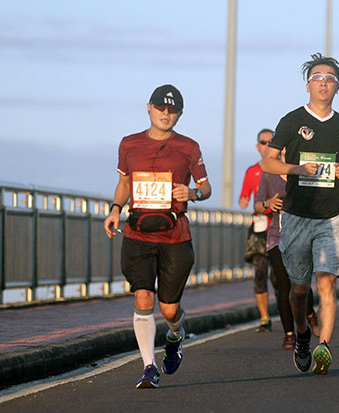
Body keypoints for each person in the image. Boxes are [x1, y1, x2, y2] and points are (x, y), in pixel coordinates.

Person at [262, 53, 339, 375]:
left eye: (330, 78)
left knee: (326, 282)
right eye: (318, 77)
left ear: (337, 87)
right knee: (299, 288)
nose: (323, 82)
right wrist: (295, 169)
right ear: (308, 84)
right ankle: (304, 335)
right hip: (295, 215)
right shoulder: (292, 121)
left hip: (331, 216)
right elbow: (268, 162)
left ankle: (324, 346)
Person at [104, 84, 211, 388]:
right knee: (142, 296)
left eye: (173, 109)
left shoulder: (189, 147)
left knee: (169, 308)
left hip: (175, 234)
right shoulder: (129, 144)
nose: (166, 113)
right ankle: (149, 366)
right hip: (137, 232)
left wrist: (192, 193)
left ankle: (175, 334)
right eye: (161, 107)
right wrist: (114, 210)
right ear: (148, 107)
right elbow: (125, 182)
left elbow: (206, 188)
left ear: (179, 113)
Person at [254, 149, 320, 349]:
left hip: (302, 236)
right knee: (283, 285)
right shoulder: (269, 176)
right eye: (282, 149)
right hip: (277, 237)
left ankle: (309, 312)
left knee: (300, 284)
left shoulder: (305, 173)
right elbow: (257, 205)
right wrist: (268, 203)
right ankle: (289, 334)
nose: (285, 152)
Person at [239, 128, 276, 332]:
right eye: (263, 142)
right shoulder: (252, 171)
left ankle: (289, 316)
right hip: (260, 226)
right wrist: (243, 201)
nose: (267, 145)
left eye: (271, 142)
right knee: (260, 272)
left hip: (280, 226)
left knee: (279, 277)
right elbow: (244, 196)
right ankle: (264, 318)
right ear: (257, 146)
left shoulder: (284, 168)